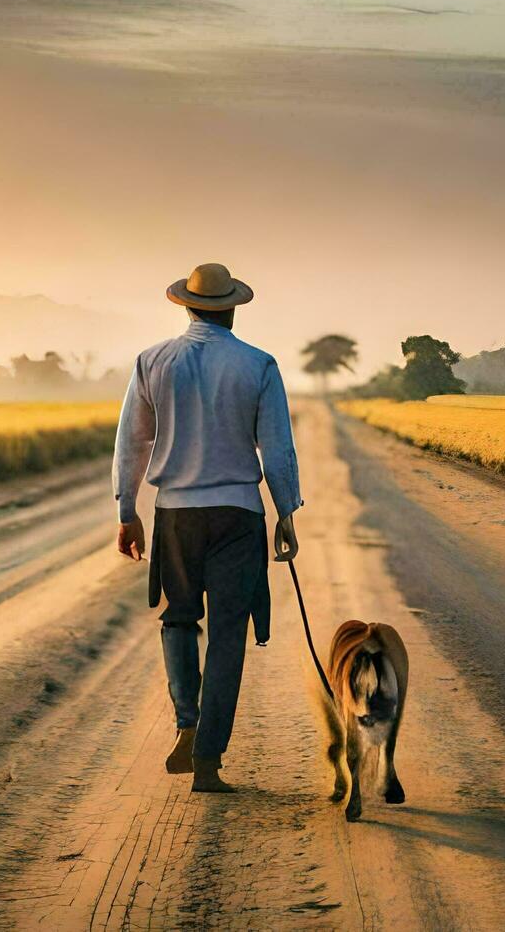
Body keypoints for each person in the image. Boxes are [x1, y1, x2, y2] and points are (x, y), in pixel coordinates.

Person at [113, 262, 302, 793]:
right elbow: (277, 447)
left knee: (178, 620)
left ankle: (186, 721)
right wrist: (285, 511)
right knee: (227, 637)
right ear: (233, 309)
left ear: (187, 306)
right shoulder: (258, 365)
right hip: (239, 514)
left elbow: (132, 443)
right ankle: (209, 761)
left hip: (175, 513)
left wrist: (127, 511)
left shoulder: (153, 361)